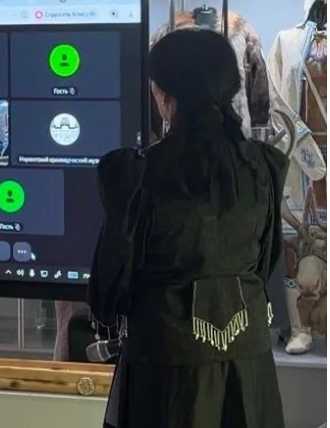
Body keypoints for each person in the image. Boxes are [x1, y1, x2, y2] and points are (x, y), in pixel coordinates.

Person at [88, 28, 287, 428]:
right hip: (249, 366)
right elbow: (266, 264)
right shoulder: (262, 167)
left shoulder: (138, 175)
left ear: (165, 96)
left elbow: (108, 293)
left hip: (167, 373)